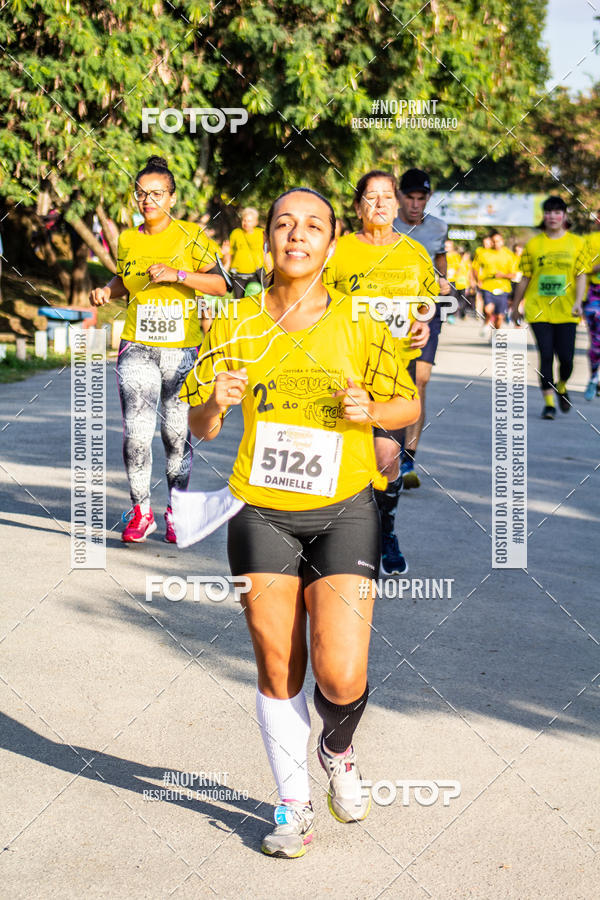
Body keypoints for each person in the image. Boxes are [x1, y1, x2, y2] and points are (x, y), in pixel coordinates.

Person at [181, 187, 420, 858]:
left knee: (340, 675)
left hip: (344, 510)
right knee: (278, 662)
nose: (296, 233)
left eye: (313, 224)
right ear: (269, 241)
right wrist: (215, 407)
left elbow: (404, 405)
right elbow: (198, 423)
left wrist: (370, 411)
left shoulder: (361, 323)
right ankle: (293, 805)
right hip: (260, 511)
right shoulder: (231, 322)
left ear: (332, 243)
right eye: (284, 222)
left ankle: (337, 747)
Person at [89, 155, 229, 542]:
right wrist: (108, 290)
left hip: (180, 350)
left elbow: (221, 285)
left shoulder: (192, 236)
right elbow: (124, 279)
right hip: (137, 345)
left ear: (171, 197)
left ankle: (176, 511)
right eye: (141, 193)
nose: (147, 200)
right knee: (135, 433)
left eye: (156, 193)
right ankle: (140, 512)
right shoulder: (129, 238)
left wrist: (179, 274)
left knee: (175, 435)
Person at [324, 169, 434, 575]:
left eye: (388, 196)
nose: (381, 203)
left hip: (392, 374)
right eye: (372, 197)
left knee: (387, 459)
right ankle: (338, 537)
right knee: (338, 460)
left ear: (398, 203)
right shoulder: (339, 252)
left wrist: (423, 320)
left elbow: (427, 302)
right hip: (342, 370)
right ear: (358, 207)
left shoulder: (414, 253)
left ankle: (384, 529)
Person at [392, 168, 451, 490]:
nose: (415, 204)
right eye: (410, 197)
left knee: (420, 381)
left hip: (427, 313)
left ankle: (407, 459)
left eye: (421, 198)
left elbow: (442, 267)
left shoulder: (439, 228)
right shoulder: (388, 226)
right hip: (388, 313)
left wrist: (445, 284)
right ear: (400, 196)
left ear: (428, 198)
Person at [511, 196, 589, 420]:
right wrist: (516, 306)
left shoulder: (577, 243)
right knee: (546, 355)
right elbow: (525, 278)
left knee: (566, 358)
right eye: (548, 212)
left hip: (567, 310)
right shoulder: (534, 245)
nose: (552, 216)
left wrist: (578, 302)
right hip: (538, 308)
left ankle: (562, 386)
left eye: (557, 212)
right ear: (543, 216)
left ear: (565, 216)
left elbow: (581, 274)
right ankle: (548, 404)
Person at [476, 231, 517, 336]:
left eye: (498, 241)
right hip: (488, 286)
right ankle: (486, 322)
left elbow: (514, 274)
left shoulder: (509, 255)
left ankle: (495, 332)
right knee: (488, 309)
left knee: (499, 316)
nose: (496, 243)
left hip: (503, 288)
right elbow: (475, 267)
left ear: (502, 241)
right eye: (493, 241)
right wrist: (477, 280)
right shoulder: (484, 253)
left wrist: (502, 275)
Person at [224, 207, 266, 299]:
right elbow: (230, 253)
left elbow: (266, 253)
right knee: (239, 300)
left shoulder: (261, 234)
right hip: (238, 274)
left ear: (256, 222)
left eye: (249, 221)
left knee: (253, 297)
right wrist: (225, 269)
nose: (246, 223)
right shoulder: (236, 233)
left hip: (255, 274)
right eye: (244, 220)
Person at [583, 211, 600, 400]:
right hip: (595, 294)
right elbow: (581, 269)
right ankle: (594, 377)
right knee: (596, 343)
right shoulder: (589, 241)